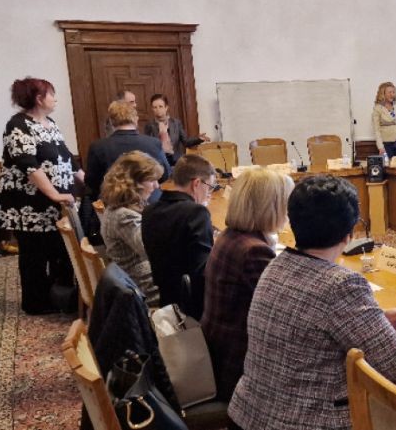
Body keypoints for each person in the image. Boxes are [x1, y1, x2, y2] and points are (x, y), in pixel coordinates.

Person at [229, 175, 396, 430]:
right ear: (349, 234)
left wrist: (377, 321)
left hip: (247, 417)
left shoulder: (276, 264)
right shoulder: (341, 285)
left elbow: (316, 327)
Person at [201, 168, 294, 402]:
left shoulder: (231, 236)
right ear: (271, 206)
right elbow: (286, 313)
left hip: (219, 352)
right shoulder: (253, 251)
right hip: (238, 367)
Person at [0, 77, 84, 314]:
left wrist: (88, 181)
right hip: (28, 205)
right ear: (39, 98)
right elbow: (29, 165)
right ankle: (36, 303)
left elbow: (68, 159)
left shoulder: (50, 123)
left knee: (59, 250)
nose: (55, 99)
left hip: (53, 204)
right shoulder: (18, 125)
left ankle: (59, 297)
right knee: (34, 255)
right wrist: (54, 194)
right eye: (51, 94)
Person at [142, 154, 217, 320]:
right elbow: (203, 271)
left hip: (167, 301)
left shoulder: (149, 211)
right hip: (193, 308)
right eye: (209, 187)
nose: (209, 194)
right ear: (196, 183)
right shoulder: (196, 213)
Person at [99, 151, 164, 308]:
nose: (156, 186)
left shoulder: (119, 207)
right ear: (134, 183)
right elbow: (152, 251)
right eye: (152, 180)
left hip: (133, 279)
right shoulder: (124, 216)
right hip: (141, 287)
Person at [86, 100, 170, 201]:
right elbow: (165, 175)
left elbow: (92, 182)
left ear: (111, 121)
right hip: (150, 202)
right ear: (136, 119)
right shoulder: (153, 143)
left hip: (115, 201)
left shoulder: (98, 147)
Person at [144, 93, 209, 165]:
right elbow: (148, 146)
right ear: (152, 109)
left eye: (160, 106)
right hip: (159, 162)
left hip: (176, 161)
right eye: (155, 107)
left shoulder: (176, 123)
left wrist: (199, 139)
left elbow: (186, 141)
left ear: (166, 107)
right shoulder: (149, 126)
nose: (158, 109)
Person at [371, 82, 396, 158]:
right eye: (389, 92)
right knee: (388, 164)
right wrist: (380, 147)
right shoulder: (377, 108)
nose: (392, 94)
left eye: (393, 92)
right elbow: (376, 130)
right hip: (386, 144)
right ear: (383, 94)